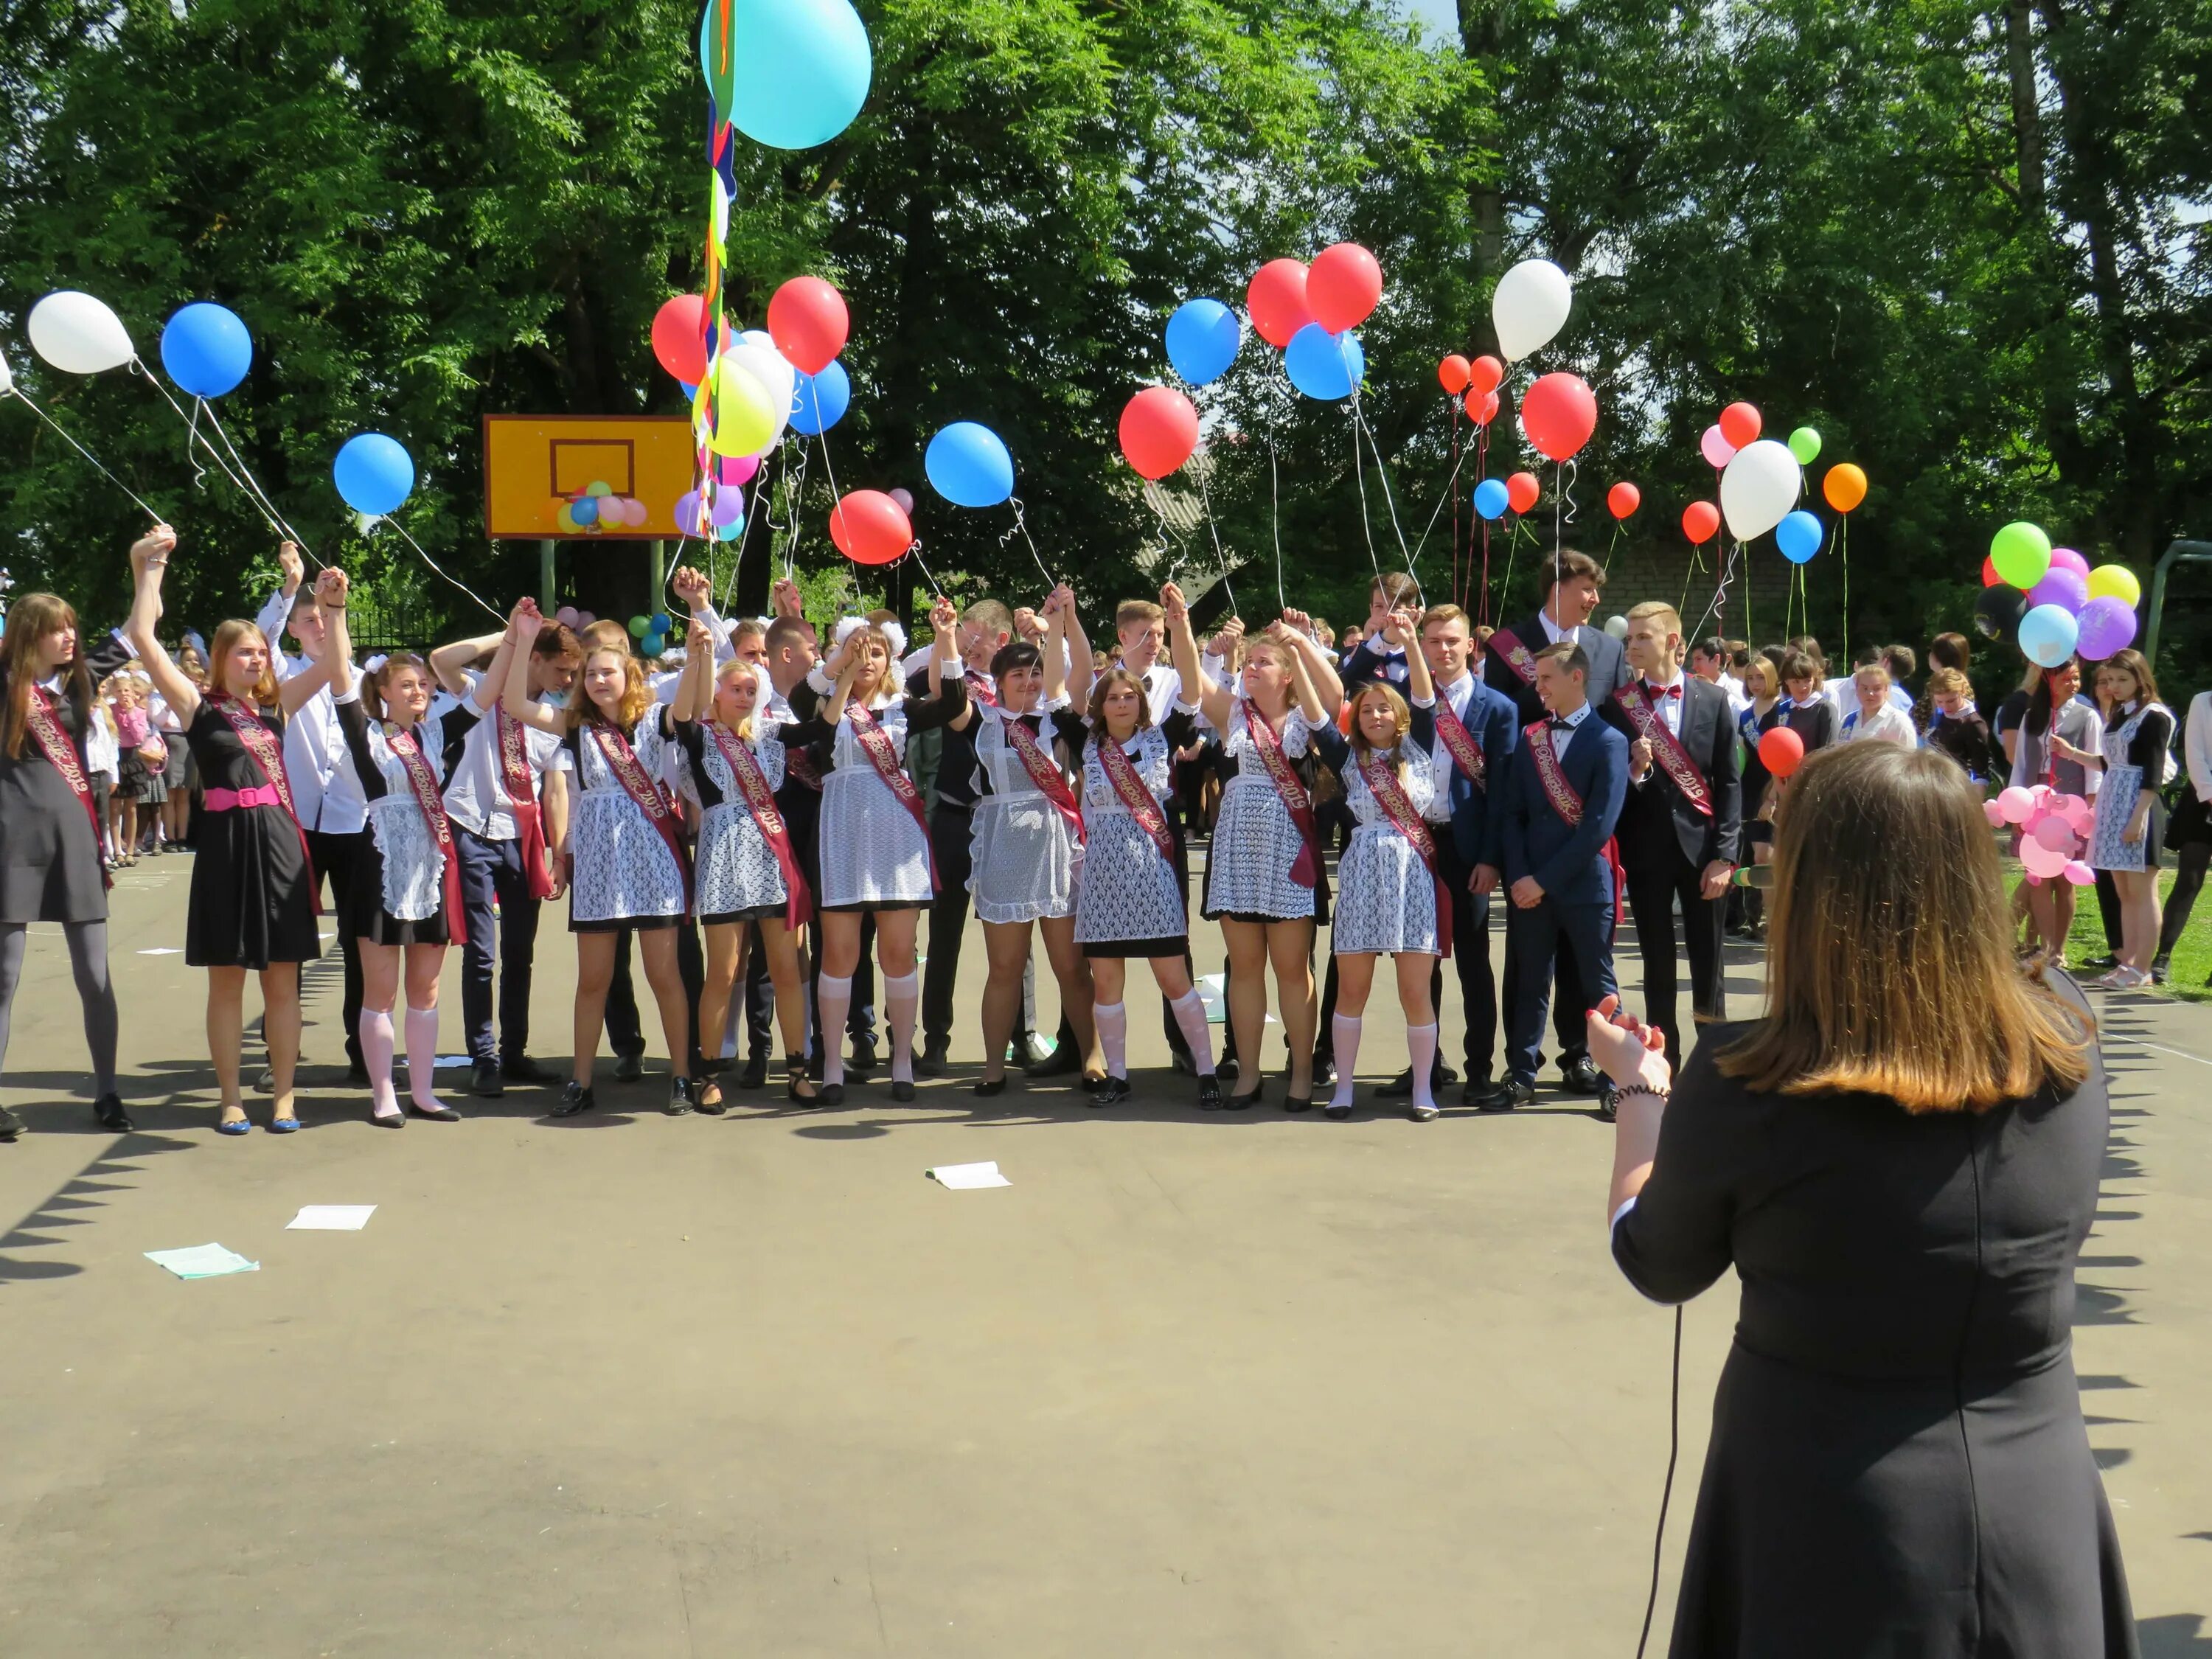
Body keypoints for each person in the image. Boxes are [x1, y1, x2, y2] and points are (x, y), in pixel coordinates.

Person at [1598, 739, 2135, 1658]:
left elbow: (1658, 1258)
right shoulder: (2068, 1048)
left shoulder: (1749, 1083)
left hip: (1825, 1518)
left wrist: (1644, 1097)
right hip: (2036, 1501)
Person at [129, 529, 338, 1134]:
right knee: (227, 982)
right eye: (244, 652)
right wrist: (151, 569)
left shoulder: (279, 707)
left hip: (276, 843)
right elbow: (144, 638)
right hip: (224, 846)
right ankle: (229, 1098)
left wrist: (329, 607)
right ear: (220, 658)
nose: (256, 659)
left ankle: (285, 1099)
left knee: (283, 980)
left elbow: (332, 664)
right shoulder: (199, 707)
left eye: (261, 652)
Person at [503, 601, 696, 1117]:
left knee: (664, 976)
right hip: (600, 865)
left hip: (653, 863)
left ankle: (681, 1078)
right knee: (593, 980)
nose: (597, 680)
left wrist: (700, 647)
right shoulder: (573, 724)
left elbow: (694, 703)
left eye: (607, 672)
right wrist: (522, 640)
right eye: (590, 674)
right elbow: (516, 705)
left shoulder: (657, 720)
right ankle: (582, 1082)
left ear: (627, 674)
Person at [787, 601, 967, 1105]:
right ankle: (831, 1064)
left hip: (895, 834)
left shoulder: (903, 707)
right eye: (861, 650)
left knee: (896, 951)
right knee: (840, 952)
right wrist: (839, 664)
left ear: (892, 660)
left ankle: (902, 1059)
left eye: (879, 652)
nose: (870, 659)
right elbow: (802, 701)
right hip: (842, 828)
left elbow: (953, 704)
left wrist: (947, 637)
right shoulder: (829, 707)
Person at [1169, 585, 1341, 1109]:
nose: (1252, 667)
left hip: (1288, 853)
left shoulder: (1305, 717)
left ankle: (1302, 1073)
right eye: (1250, 661)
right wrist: (1180, 626)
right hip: (1237, 852)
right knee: (1243, 967)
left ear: (1288, 674)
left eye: (1264, 662)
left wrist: (1302, 642)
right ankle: (1247, 1072)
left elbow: (1335, 697)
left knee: (1293, 968)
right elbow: (1190, 677)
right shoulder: (1232, 715)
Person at [1481, 550, 1630, 1099]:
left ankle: (1616, 1075)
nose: (1534, 688)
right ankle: (1520, 1075)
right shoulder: (1531, 738)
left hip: (1582, 883)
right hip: (1531, 882)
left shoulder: (1609, 742)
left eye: (1545, 679)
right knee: (1530, 985)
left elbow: (1598, 825)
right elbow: (1516, 811)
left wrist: (1541, 879)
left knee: (1598, 986)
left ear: (1576, 678)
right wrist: (1521, 875)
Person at [942, 588, 1101, 1093]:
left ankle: (1092, 1056)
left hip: (1055, 847)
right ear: (999, 682)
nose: (1030, 683)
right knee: (1005, 966)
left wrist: (1063, 623)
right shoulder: (980, 722)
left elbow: (1081, 673)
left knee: (1071, 966)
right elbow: (947, 695)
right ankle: (993, 1066)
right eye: (1019, 675)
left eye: (1036, 674)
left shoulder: (1058, 720)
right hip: (1003, 849)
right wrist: (947, 635)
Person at [0, 581, 136, 1141]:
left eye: (72, 626)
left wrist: (144, 568)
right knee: (3, 977)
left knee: (94, 973)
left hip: (75, 841)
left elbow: (135, 631)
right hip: (12, 843)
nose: (70, 636)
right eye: (58, 628)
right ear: (30, 635)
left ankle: (107, 1089)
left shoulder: (78, 683)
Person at [1054, 648, 1220, 1109]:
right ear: (1100, 706)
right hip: (1103, 872)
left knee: (1174, 977)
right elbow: (1057, 688)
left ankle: (1206, 1072)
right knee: (1107, 981)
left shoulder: (1162, 738)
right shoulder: (1086, 742)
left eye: (1130, 697)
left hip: (1151, 869)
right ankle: (1119, 1075)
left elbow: (1190, 691)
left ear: (1142, 703)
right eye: (1113, 698)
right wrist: (1064, 622)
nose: (1122, 704)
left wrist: (1182, 627)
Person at [427, 606, 579, 1095]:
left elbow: (554, 789)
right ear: (536, 660)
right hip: (471, 825)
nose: (567, 680)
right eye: (560, 670)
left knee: (521, 952)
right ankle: (483, 1055)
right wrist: (511, 634)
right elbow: (441, 660)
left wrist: (559, 853)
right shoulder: (483, 689)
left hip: (522, 837)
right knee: (481, 953)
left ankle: (514, 1051)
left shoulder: (549, 717)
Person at [327, 610, 468, 1127]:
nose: (419, 692)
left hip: (429, 866)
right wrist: (335, 612)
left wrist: (516, 639)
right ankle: (384, 1093)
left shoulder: (438, 734)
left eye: (424, 685)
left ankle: (425, 1092)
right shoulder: (365, 733)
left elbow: (488, 694)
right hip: (381, 861)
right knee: (381, 990)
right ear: (383, 690)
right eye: (407, 684)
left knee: (426, 990)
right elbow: (341, 674)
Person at [669, 619, 818, 1102]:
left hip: (770, 862)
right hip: (722, 862)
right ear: (717, 694)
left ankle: (797, 1070)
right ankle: (708, 1074)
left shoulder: (771, 735)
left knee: (787, 969)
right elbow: (684, 713)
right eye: (735, 688)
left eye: (752, 689)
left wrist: (840, 665)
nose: (744, 695)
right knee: (724, 972)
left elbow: (824, 725)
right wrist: (699, 655)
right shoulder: (699, 736)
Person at [1320, 620, 1453, 1121]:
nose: (1375, 714)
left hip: (1411, 873)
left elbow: (1423, 694)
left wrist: (1413, 641)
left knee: (1414, 990)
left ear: (1399, 718)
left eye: (1384, 709)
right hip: (1360, 875)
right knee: (1351, 988)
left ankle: (1423, 1088)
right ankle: (1344, 1088)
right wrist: (1303, 648)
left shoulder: (1418, 743)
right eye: (1367, 709)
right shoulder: (1346, 754)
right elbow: (1317, 713)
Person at [255, 540, 370, 1082]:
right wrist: (291, 584)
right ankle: (282, 1049)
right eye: (309, 618)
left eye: (327, 617)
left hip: (356, 822)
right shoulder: (280, 674)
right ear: (297, 629)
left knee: (360, 939)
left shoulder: (367, 679)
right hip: (296, 822)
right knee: (288, 941)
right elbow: (261, 637)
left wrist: (333, 604)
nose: (320, 624)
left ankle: (361, 1046)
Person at [1399, 602, 1518, 1107]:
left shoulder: (1498, 708)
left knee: (1473, 962)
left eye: (1453, 641)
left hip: (1468, 849)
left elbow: (1504, 794)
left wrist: (1491, 859)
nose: (1443, 650)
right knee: (1420, 963)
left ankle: (1479, 1069)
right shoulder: (1406, 702)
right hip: (1416, 844)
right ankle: (1428, 1064)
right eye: (1434, 641)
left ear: (1472, 645)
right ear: (1422, 646)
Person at [1614, 602, 1741, 1064]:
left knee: (1709, 963)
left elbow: (1729, 782)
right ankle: (1663, 1060)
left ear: (1672, 641)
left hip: (1704, 852)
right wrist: (1636, 769)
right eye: (1629, 638)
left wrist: (1726, 856)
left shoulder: (1713, 700)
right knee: (1656, 963)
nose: (1633, 646)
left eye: (1643, 637)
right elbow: (1614, 787)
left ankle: (1714, 1063)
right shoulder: (1619, 703)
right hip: (1647, 853)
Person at [912, 598, 1012, 1077]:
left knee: (1014, 933)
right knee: (944, 933)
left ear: (1003, 641)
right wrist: (945, 636)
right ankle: (936, 1037)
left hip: (1005, 821)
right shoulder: (954, 681)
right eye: (964, 637)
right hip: (954, 818)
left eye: (977, 638)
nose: (970, 647)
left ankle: (1022, 1034)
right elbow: (933, 685)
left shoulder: (1019, 685)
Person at [2084, 650, 2171, 990]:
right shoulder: (2119, 714)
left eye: (2123, 679)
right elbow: (2111, 763)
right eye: (2110, 680)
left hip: (2139, 808)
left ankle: (2143, 968)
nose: (2115, 686)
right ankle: (2128, 962)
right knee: (2123, 891)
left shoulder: (2154, 717)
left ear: (2140, 678)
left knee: (2142, 889)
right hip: (2113, 804)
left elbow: (2152, 773)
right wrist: (2073, 754)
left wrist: (2137, 819)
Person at [2011, 658, 2103, 967]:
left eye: (2076, 678)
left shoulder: (2087, 716)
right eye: (2066, 678)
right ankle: (2045, 945)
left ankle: (2059, 949)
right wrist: (2018, 808)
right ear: (2048, 680)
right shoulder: (2031, 716)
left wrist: (2090, 805)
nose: (2073, 684)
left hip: (2070, 802)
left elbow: (2095, 767)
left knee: (2064, 879)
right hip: (2036, 803)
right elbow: (2022, 764)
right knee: (2037, 876)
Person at [2152, 684, 2211, 987]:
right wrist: (2209, 794)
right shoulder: (2203, 701)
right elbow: (2195, 753)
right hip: (2202, 801)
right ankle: (2162, 958)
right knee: (2188, 881)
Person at [1731, 654, 1787, 940]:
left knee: (1769, 856)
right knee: (1754, 856)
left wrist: (1774, 796)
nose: (1754, 683)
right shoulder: (1744, 715)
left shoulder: (1784, 710)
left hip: (1775, 787)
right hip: (1750, 789)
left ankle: (1775, 920)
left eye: (1760, 677)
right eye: (1750, 677)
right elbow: (1741, 755)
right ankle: (1753, 919)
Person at [1921, 666, 1994, 780]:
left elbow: (1981, 772)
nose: (1945, 706)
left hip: (1957, 786)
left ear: (1963, 692)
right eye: (1939, 701)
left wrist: (1974, 796)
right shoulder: (1940, 714)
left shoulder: (1973, 724)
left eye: (1951, 701)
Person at [1838, 661, 1916, 745]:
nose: (1870, 693)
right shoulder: (1848, 720)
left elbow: (1910, 756)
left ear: (1886, 689)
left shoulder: (1898, 721)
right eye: (1865, 688)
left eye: (1876, 689)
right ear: (1856, 689)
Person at [1776, 648, 1839, 753]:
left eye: (1807, 681)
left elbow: (1829, 750)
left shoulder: (1825, 709)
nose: (1802, 687)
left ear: (1814, 679)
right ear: (1786, 681)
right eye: (1796, 681)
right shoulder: (1782, 708)